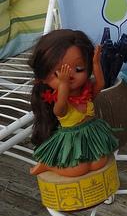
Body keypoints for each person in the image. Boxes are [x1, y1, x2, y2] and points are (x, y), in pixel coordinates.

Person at [29, 29, 119, 177]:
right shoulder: (61, 103)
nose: (69, 76)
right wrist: (63, 84)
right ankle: (48, 165)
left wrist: (96, 63)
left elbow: (100, 83)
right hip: (72, 141)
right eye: (59, 73)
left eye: (78, 69)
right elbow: (60, 110)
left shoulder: (87, 94)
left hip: (90, 136)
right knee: (77, 170)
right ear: (43, 79)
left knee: (99, 162)